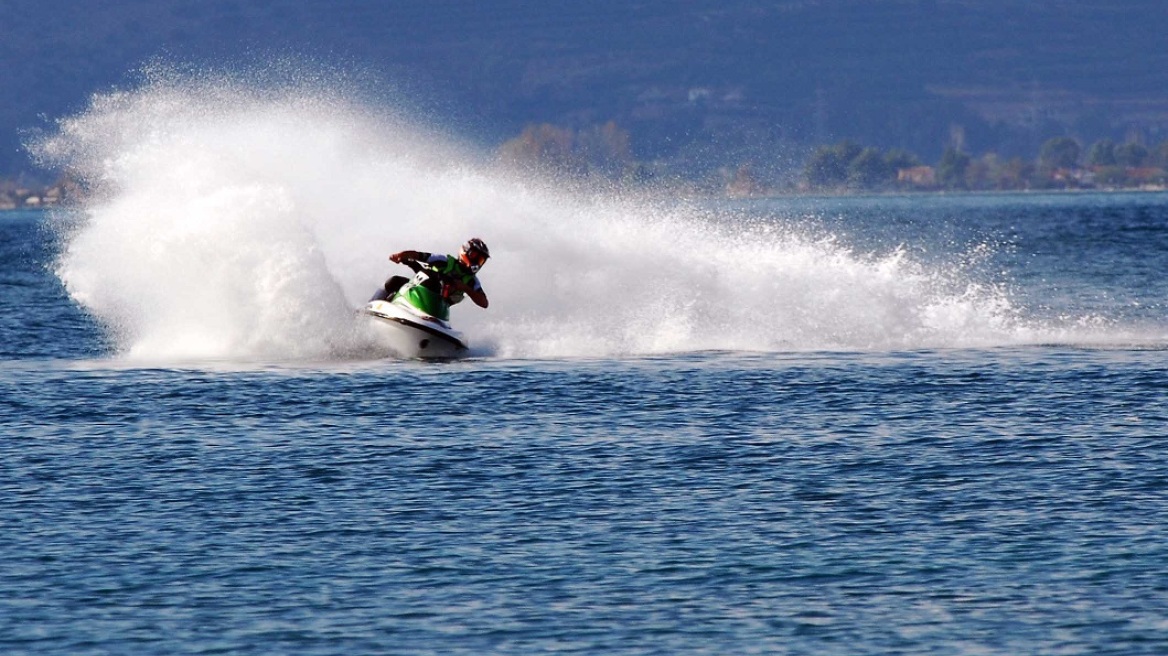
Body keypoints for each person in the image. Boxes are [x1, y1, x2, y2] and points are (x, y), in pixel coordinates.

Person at [372, 238, 490, 321]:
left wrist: (465, 288)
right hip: (417, 292)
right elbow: (419, 255)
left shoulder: (472, 281)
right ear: (465, 252)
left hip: (438, 309)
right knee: (394, 281)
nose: (477, 262)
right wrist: (400, 255)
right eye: (475, 257)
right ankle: (369, 308)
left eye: (480, 260)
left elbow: (484, 303)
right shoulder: (443, 260)